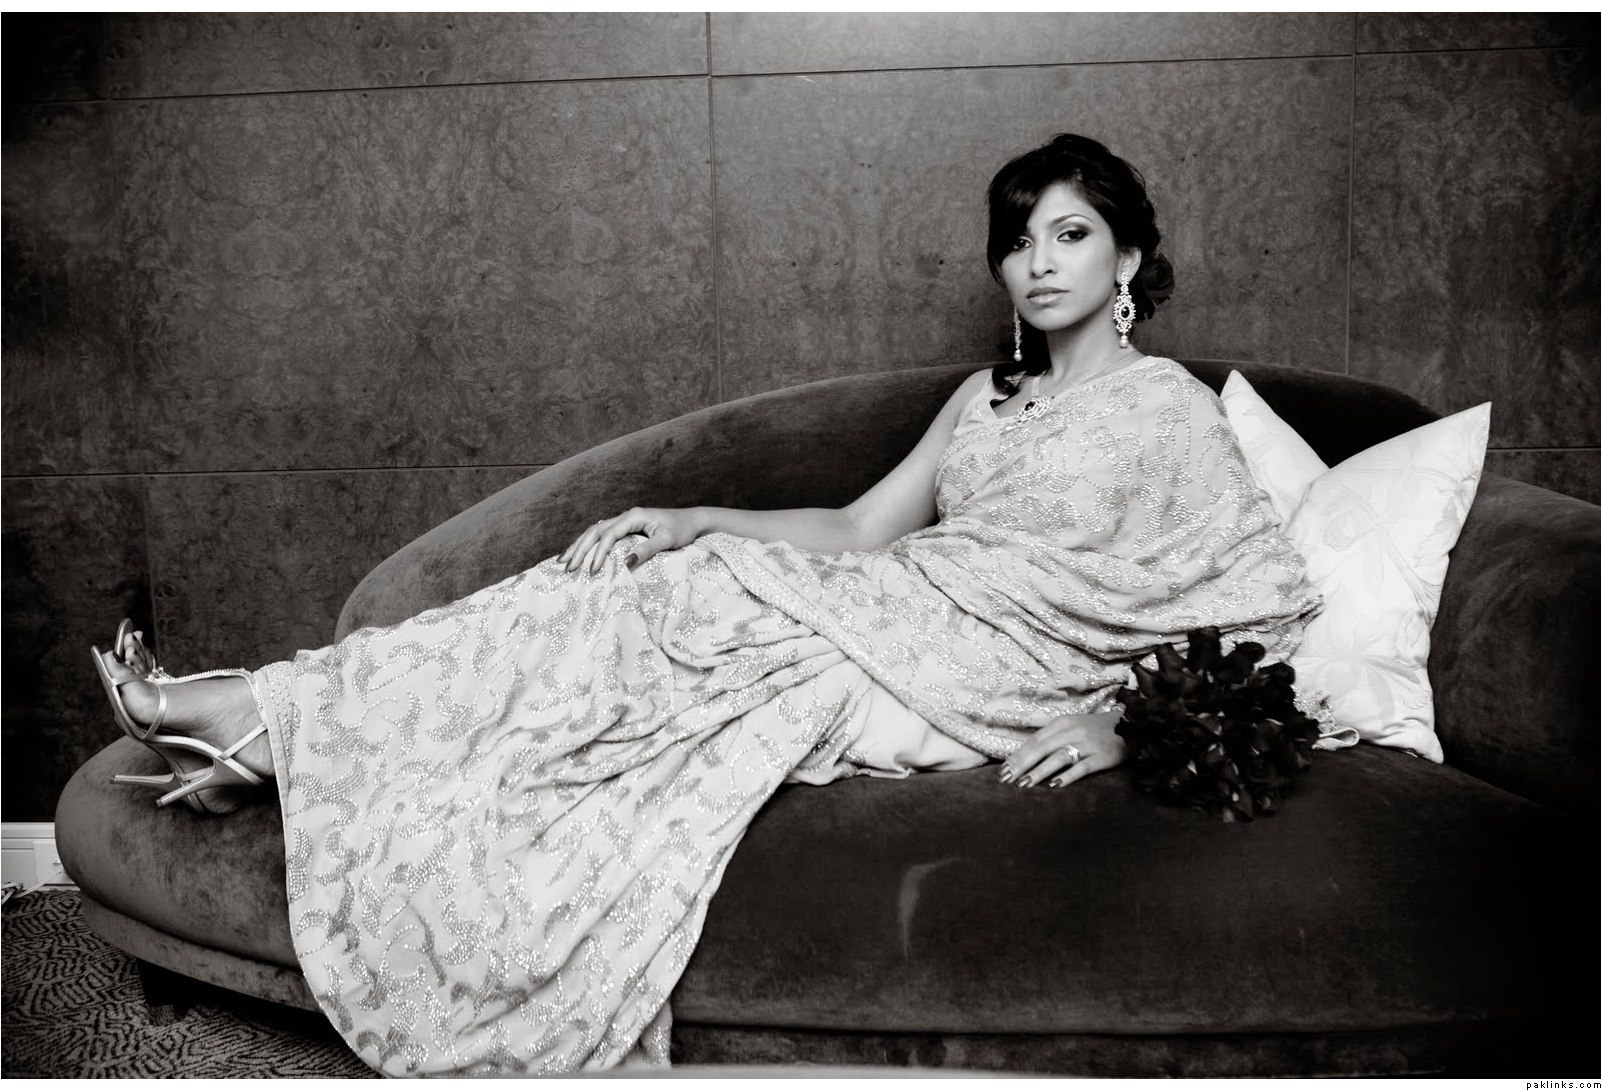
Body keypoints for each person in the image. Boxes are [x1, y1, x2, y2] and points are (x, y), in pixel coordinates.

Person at [91, 133, 1329, 1075]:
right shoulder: (983, 397)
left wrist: (1115, 722)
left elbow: (1253, 608)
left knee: (667, 614)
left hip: (979, 665)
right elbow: (859, 529)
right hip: (886, 602)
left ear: (1125, 257)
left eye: (1068, 234)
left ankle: (260, 722)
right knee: (634, 589)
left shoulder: (1169, 406)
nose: (1038, 261)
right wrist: (690, 516)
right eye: (1019, 240)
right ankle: (279, 718)